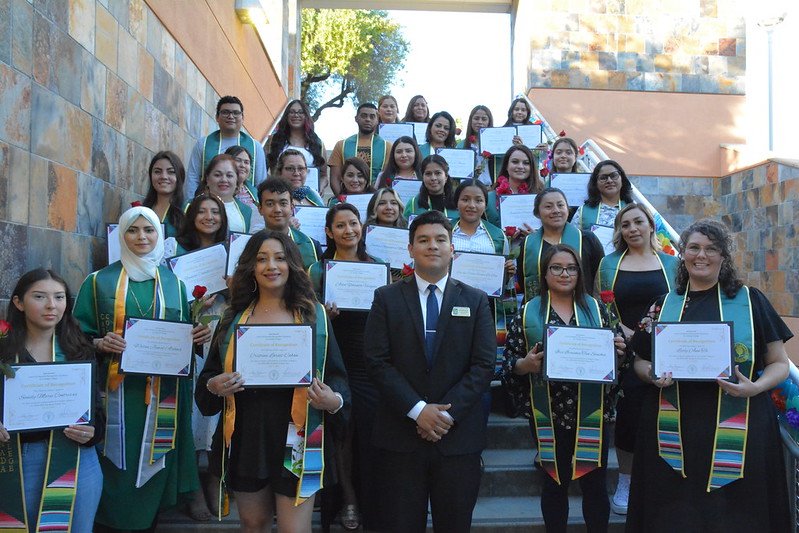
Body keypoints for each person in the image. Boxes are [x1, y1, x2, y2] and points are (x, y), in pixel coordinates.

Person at [626, 219, 792, 533]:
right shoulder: (662, 306)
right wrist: (652, 374)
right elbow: (640, 361)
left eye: (711, 249)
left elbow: (779, 364)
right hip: (674, 428)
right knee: (675, 513)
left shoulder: (750, 300)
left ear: (723, 256)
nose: (701, 255)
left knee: (740, 514)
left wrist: (754, 387)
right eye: (694, 248)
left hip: (741, 424)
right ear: (682, 253)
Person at [195, 231, 350, 533]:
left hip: (299, 437)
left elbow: (337, 376)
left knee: (295, 530)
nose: (271, 266)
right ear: (251, 267)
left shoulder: (314, 316)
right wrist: (214, 386)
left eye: (280, 258)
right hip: (247, 436)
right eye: (262, 258)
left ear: (292, 264)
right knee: (254, 525)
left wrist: (334, 401)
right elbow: (208, 380)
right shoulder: (233, 318)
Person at [74, 206, 212, 532]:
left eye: (148, 230)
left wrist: (197, 336)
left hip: (160, 393)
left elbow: (181, 339)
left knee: (153, 457)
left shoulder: (176, 285)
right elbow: (75, 335)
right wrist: (98, 343)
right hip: (116, 392)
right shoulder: (98, 282)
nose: (141, 237)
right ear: (122, 235)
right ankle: (111, 518)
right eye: (133, 230)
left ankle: (148, 517)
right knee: (117, 459)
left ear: (159, 236)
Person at [364, 210, 495, 533]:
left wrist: (444, 416)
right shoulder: (386, 297)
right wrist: (418, 410)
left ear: (453, 249)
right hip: (400, 437)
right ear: (410, 249)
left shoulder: (477, 301)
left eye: (440, 239)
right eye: (423, 240)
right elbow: (377, 361)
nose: (432, 246)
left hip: (457, 439)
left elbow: (483, 366)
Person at [502, 244, 626, 533]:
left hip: (592, 411)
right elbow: (510, 362)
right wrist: (526, 365)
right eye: (555, 268)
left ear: (580, 273)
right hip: (549, 411)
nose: (564, 273)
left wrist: (619, 354)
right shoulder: (528, 311)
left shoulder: (597, 309)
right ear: (544, 274)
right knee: (554, 482)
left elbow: (620, 361)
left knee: (595, 485)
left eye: (571, 268)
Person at [0, 269, 104, 533]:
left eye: (59, 297)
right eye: (39, 296)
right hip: (20, 460)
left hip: (78, 460)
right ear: (18, 303)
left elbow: (97, 411)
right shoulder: (4, 350)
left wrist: (92, 432)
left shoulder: (79, 348)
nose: (51, 305)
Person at [595, 203, 678, 515]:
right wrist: (626, 334)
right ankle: (626, 480)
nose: (632, 229)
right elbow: (601, 308)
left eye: (638, 222)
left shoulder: (672, 263)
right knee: (629, 416)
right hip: (624, 349)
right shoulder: (608, 264)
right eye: (625, 224)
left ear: (650, 225)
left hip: (664, 348)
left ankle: (663, 480)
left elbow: (680, 302)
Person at [308, 203, 383, 531]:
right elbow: (305, 319)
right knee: (341, 435)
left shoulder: (377, 266)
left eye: (354, 223)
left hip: (369, 363)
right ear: (329, 232)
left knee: (369, 435)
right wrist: (324, 314)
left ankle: (372, 500)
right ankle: (348, 499)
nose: (349, 230)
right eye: (341, 225)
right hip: (335, 360)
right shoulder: (317, 270)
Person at [452, 179, 517, 382]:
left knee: (481, 356)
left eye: (478, 200)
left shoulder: (497, 236)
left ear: (485, 204)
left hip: (485, 305)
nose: (472, 205)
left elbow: (504, 283)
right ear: (457, 203)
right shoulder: (445, 232)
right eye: (466, 199)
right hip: (450, 301)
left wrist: (508, 272)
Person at [518, 188, 604, 301]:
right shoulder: (527, 244)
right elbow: (523, 280)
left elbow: (600, 278)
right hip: (541, 311)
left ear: (567, 210)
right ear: (537, 213)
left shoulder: (587, 240)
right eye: (548, 207)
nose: (556, 210)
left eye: (560, 205)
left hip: (581, 309)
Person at [185, 95, 266, 198]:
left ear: (243, 118)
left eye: (236, 113)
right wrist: (190, 205)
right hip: (209, 204)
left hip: (245, 206)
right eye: (225, 112)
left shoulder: (255, 147)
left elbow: (261, 183)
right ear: (217, 117)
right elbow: (192, 178)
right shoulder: (203, 144)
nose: (231, 116)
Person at [256, 178, 323, 268]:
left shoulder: (312, 246)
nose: (277, 210)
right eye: (270, 204)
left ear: (292, 208)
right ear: (260, 209)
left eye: (283, 203)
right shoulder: (252, 245)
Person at [264, 100, 327, 193]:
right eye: (292, 112)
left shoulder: (317, 143)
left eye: (300, 112)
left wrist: (320, 187)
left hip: (309, 195)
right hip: (280, 193)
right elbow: (264, 170)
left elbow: (324, 175)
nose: (296, 115)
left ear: (306, 116)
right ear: (286, 116)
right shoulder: (274, 140)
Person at [328, 103, 391, 195]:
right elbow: (335, 180)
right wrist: (343, 201)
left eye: (372, 116)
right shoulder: (341, 145)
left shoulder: (387, 146)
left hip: (376, 200)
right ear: (356, 119)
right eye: (364, 116)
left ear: (377, 120)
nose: (368, 119)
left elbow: (387, 178)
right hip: (347, 200)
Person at [486, 145, 545, 231]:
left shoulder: (542, 195)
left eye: (526, 163)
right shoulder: (490, 198)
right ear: (506, 166)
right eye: (515, 162)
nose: (520, 166)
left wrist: (534, 237)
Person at [572, 160, 633, 231]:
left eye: (614, 176)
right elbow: (573, 238)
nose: (609, 181)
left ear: (622, 179)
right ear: (595, 183)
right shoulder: (582, 211)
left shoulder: (631, 208)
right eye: (603, 178)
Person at [142, 151, 186, 238]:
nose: (164, 177)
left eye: (171, 172)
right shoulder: (143, 211)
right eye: (157, 172)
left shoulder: (188, 210)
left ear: (180, 176)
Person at [403, 154, 459, 220]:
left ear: (446, 176)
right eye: (428, 174)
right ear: (422, 177)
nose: (433, 178)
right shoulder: (413, 203)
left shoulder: (458, 203)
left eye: (438, 173)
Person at [225, 146, 265, 233]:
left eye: (246, 162)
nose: (242, 165)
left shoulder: (255, 193)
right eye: (238, 160)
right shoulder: (222, 191)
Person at [457, 105, 493, 185]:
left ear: (489, 122)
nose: (480, 122)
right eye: (476, 118)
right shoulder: (461, 145)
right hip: (468, 187)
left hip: (490, 188)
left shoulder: (494, 145)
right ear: (471, 121)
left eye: (484, 119)